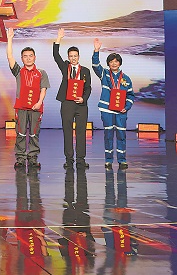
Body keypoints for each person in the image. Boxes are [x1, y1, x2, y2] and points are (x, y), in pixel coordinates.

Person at [6, 28, 50, 171]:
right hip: (21, 107)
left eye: (31, 56)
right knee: (20, 133)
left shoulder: (41, 73)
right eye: (25, 56)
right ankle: (20, 158)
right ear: (22, 58)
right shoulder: (18, 71)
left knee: (34, 133)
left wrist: (39, 103)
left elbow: (43, 89)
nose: (28, 58)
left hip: (36, 107)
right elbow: (9, 57)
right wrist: (10, 39)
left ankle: (33, 158)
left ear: (35, 57)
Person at [92, 39, 135, 169]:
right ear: (108, 63)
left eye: (116, 61)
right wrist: (96, 51)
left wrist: (126, 107)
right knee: (108, 135)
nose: (114, 63)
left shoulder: (126, 78)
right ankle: (108, 160)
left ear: (120, 63)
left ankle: (122, 160)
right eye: (111, 61)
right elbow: (95, 65)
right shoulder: (104, 74)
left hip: (121, 111)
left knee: (121, 135)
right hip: (106, 109)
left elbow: (130, 95)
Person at [53, 28, 92, 169]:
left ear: (79, 56)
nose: (73, 58)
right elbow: (55, 55)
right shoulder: (65, 67)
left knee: (81, 132)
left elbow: (88, 88)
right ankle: (69, 160)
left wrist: (83, 99)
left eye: (75, 56)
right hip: (67, 104)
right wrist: (59, 38)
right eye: (71, 56)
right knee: (67, 131)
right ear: (68, 57)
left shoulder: (85, 71)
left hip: (81, 105)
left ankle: (81, 160)